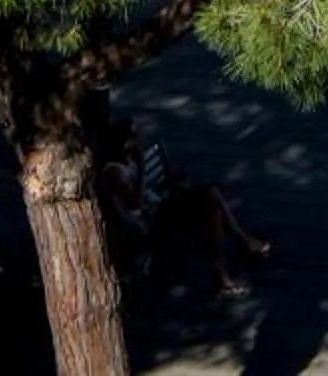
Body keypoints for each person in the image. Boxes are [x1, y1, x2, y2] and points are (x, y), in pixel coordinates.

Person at [100, 115, 271, 296]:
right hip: (154, 220)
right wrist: (142, 168)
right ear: (122, 142)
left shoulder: (127, 161)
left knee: (212, 196)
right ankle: (227, 267)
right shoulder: (114, 171)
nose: (137, 142)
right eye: (133, 137)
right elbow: (134, 204)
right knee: (211, 204)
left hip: (161, 205)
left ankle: (234, 253)